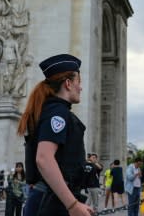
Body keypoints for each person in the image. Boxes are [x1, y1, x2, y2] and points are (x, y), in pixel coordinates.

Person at [18, 54, 93, 216]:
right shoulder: (57, 113)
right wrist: (72, 205)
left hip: (52, 198)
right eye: (78, 82)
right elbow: (44, 158)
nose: (80, 88)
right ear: (68, 83)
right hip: (51, 202)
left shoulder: (51, 110)